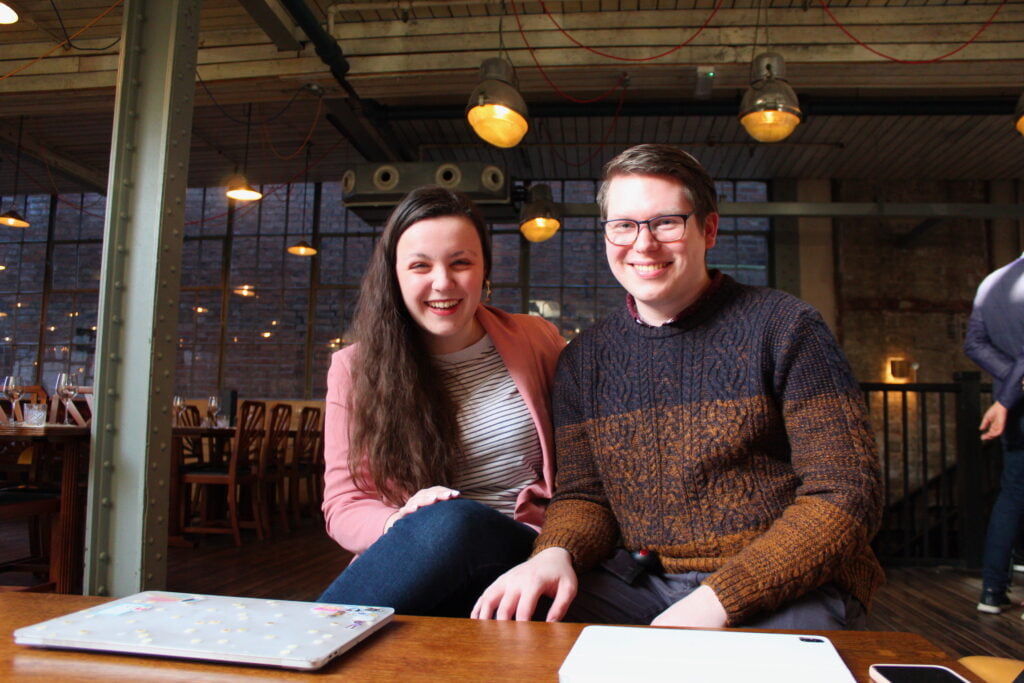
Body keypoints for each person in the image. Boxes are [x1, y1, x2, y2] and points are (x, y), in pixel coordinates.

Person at [472, 144, 884, 629]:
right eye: (623, 225)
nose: (642, 244)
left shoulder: (786, 327)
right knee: (520, 632)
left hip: (790, 581)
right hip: (643, 583)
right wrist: (554, 552)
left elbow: (846, 492)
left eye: (666, 222)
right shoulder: (584, 359)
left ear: (708, 229)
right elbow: (585, 497)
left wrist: (720, 600)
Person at [317, 186, 564, 616]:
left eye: (460, 263)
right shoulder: (354, 369)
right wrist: (400, 524)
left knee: (454, 519)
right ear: (394, 274)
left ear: (483, 268)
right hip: (426, 557)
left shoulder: (535, 339)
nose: (443, 283)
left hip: (523, 553)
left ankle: (294, 652)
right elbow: (344, 506)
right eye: (420, 266)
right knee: (439, 525)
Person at [964, 252, 1024, 614]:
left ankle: (991, 590)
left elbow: (974, 344)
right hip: (1012, 406)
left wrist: (1007, 395)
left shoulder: (992, 282)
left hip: (1016, 411)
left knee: (1012, 495)